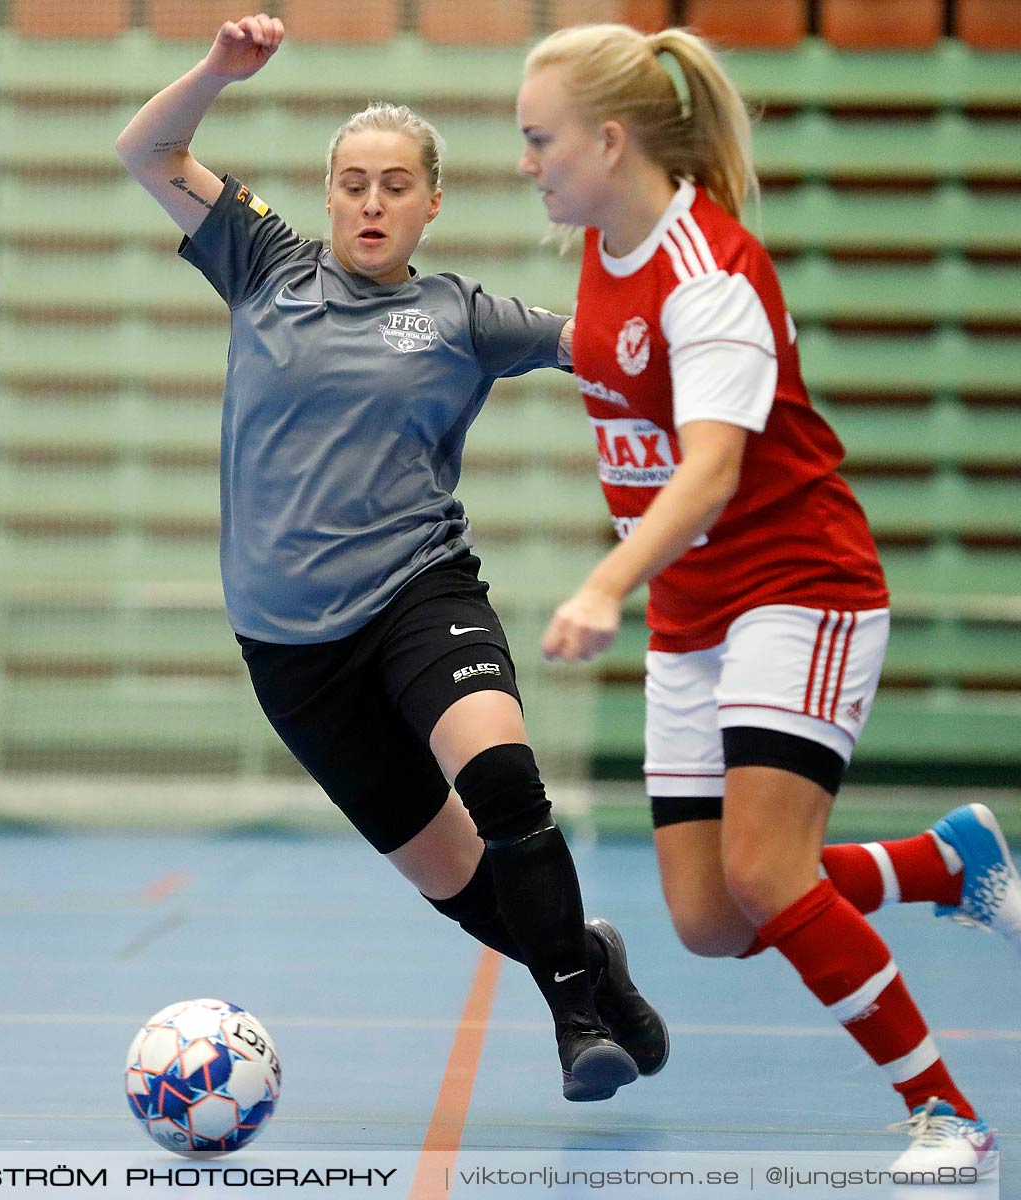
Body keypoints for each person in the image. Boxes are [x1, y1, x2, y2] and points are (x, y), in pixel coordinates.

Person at [514, 22, 1021, 1171]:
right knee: (711, 919)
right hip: (694, 612)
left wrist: (606, 582)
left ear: (607, 141)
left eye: (539, 140)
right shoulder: (601, 259)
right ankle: (940, 863)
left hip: (795, 587)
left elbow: (709, 468)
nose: (528, 164)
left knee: (764, 873)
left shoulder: (709, 274)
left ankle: (945, 1110)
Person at [115, 13, 667, 1102]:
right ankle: (589, 959)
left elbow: (594, 342)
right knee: (460, 882)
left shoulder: (459, 315)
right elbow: (145, 152)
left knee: (503, 781)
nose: (372, 203)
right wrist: (218, 73)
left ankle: (571, 1023)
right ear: (327, 198)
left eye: (395, 185)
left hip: (419, 597)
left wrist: (684, 318)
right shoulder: (263, 262)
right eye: (354, 183)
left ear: (430, 202)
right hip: (290, 651)